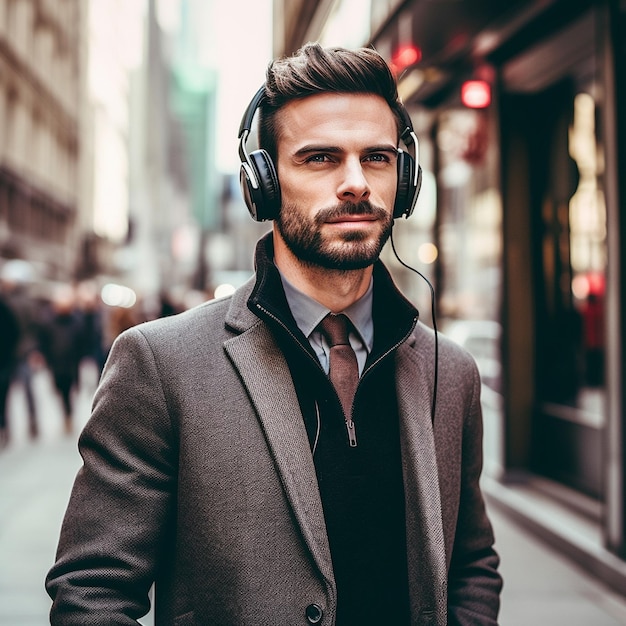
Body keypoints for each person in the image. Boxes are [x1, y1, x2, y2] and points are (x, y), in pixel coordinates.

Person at [46, 43, 502, 625]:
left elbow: (470, 564)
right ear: (261, 184)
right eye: (320, 158)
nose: (356, 183)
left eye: (378, 158)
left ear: (405, 179)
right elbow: (92, 593)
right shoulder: (160, 364)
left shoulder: (452, 372)